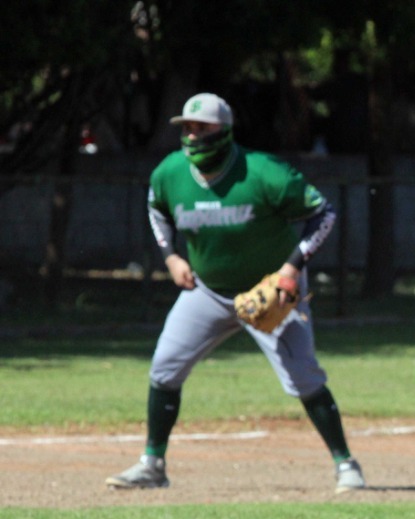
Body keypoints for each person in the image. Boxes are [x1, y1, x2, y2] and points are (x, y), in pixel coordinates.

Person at [106, 93, 366, 494]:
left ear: (224, 131)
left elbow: (323, 214)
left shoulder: (262, 173)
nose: (192, 136)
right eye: (187, 128)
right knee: (164, 369)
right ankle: (152, 465)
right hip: (206, 291)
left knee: (305, 378)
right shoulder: (171, 173)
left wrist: (292, 269)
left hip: (271, 291)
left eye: (201, 128)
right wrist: (171, 256)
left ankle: (346, 464)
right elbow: (156, 206)